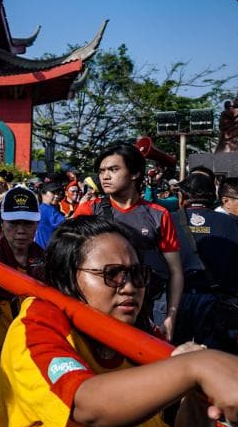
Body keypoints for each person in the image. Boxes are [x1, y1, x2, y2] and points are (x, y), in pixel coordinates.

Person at [0, 216, 238, 427]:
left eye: (137, 274)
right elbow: (87, 405)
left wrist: (195, 398)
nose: (129, 287)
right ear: (68, 278)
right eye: (111, 274)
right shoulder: (37, 321)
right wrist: (198, 366)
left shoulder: (142, 329)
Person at [73, 143, 183, 340]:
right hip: (101, 311)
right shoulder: (90, 210)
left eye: (113, 169)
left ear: (134, 173)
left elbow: (175, 271)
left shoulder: (158, 215)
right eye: (101, 171)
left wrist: (170, 317)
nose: (105, 176)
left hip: (147, 308)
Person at [0, 187, 44, 427]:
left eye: (28, 224)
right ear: (2, 224)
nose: (21, 231)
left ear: (37, 225)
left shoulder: (44, 262)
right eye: (14, 224)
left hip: (30, 363)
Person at [172, 174, 238, 352]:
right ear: (215, 197)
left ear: (182, 197)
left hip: (178, 301)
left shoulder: (168, 219)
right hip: (217, 302)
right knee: (215, 354)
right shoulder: (228, 222)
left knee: (176, 353)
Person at [35, 181, 65, 249]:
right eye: (53, 192)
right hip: (48, 251)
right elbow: (67, 224)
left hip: (39, 249)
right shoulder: (48, 210)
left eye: (58, 193)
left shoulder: (41, 208)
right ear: (43, 193)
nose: (57, 196)